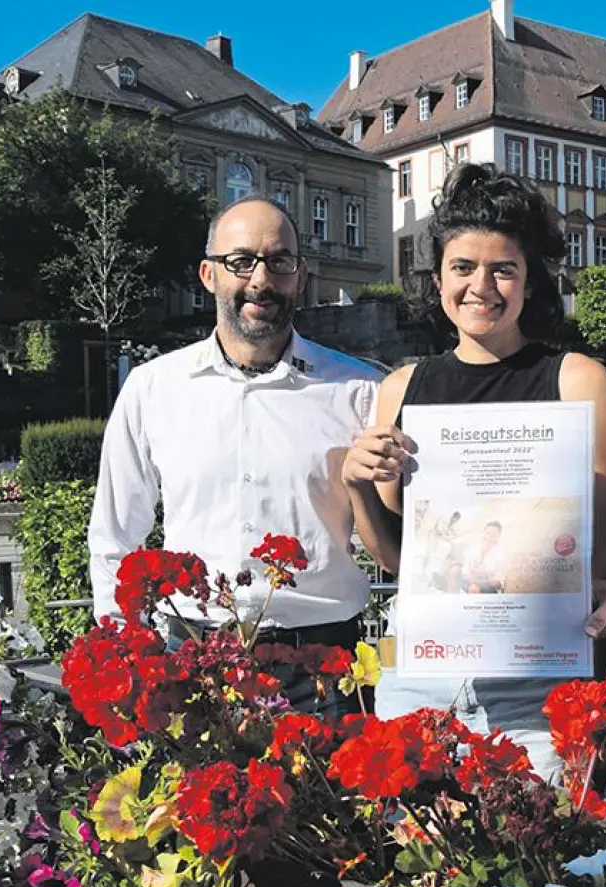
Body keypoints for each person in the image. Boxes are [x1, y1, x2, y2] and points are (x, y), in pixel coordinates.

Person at [340, 163, 606, 780]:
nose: (483, 286)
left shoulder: (577, 379)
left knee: (545, 870)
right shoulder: (401, 387)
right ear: (438, 276)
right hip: (424, 681)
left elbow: (600, 557)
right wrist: (357, 485)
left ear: (531, 282)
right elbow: (398, 561)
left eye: (504, 268)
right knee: (416, 866)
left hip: (539, 686)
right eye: (463, 267)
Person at [87, 195, 384, 717]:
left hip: (322, 674)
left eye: (279, 262)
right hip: (193, 666)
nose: (260, 280)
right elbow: (115, 535)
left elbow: (411, 533)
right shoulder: (153, 388)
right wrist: (128, 652)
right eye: (240, 261)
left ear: (301, 275)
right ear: (208, 274)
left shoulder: (359, 392)